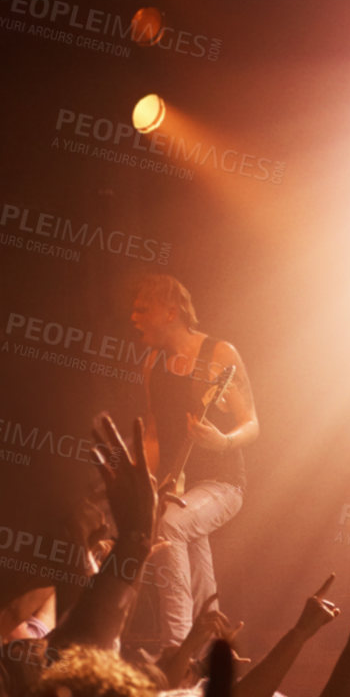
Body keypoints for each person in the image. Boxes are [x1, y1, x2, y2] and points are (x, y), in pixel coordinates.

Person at [131, 276, 258, 650]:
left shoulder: (219, 354)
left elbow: (252, 422)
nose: (134, 317)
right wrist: (150, 487)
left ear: (171, 312)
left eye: (143, 309)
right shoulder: (153, 362)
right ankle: (214, 647)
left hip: (224, 484)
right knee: (195, 558)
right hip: (180, 487)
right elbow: (153, 433)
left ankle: (177, 648)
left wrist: (224, 441)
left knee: (171, 529)